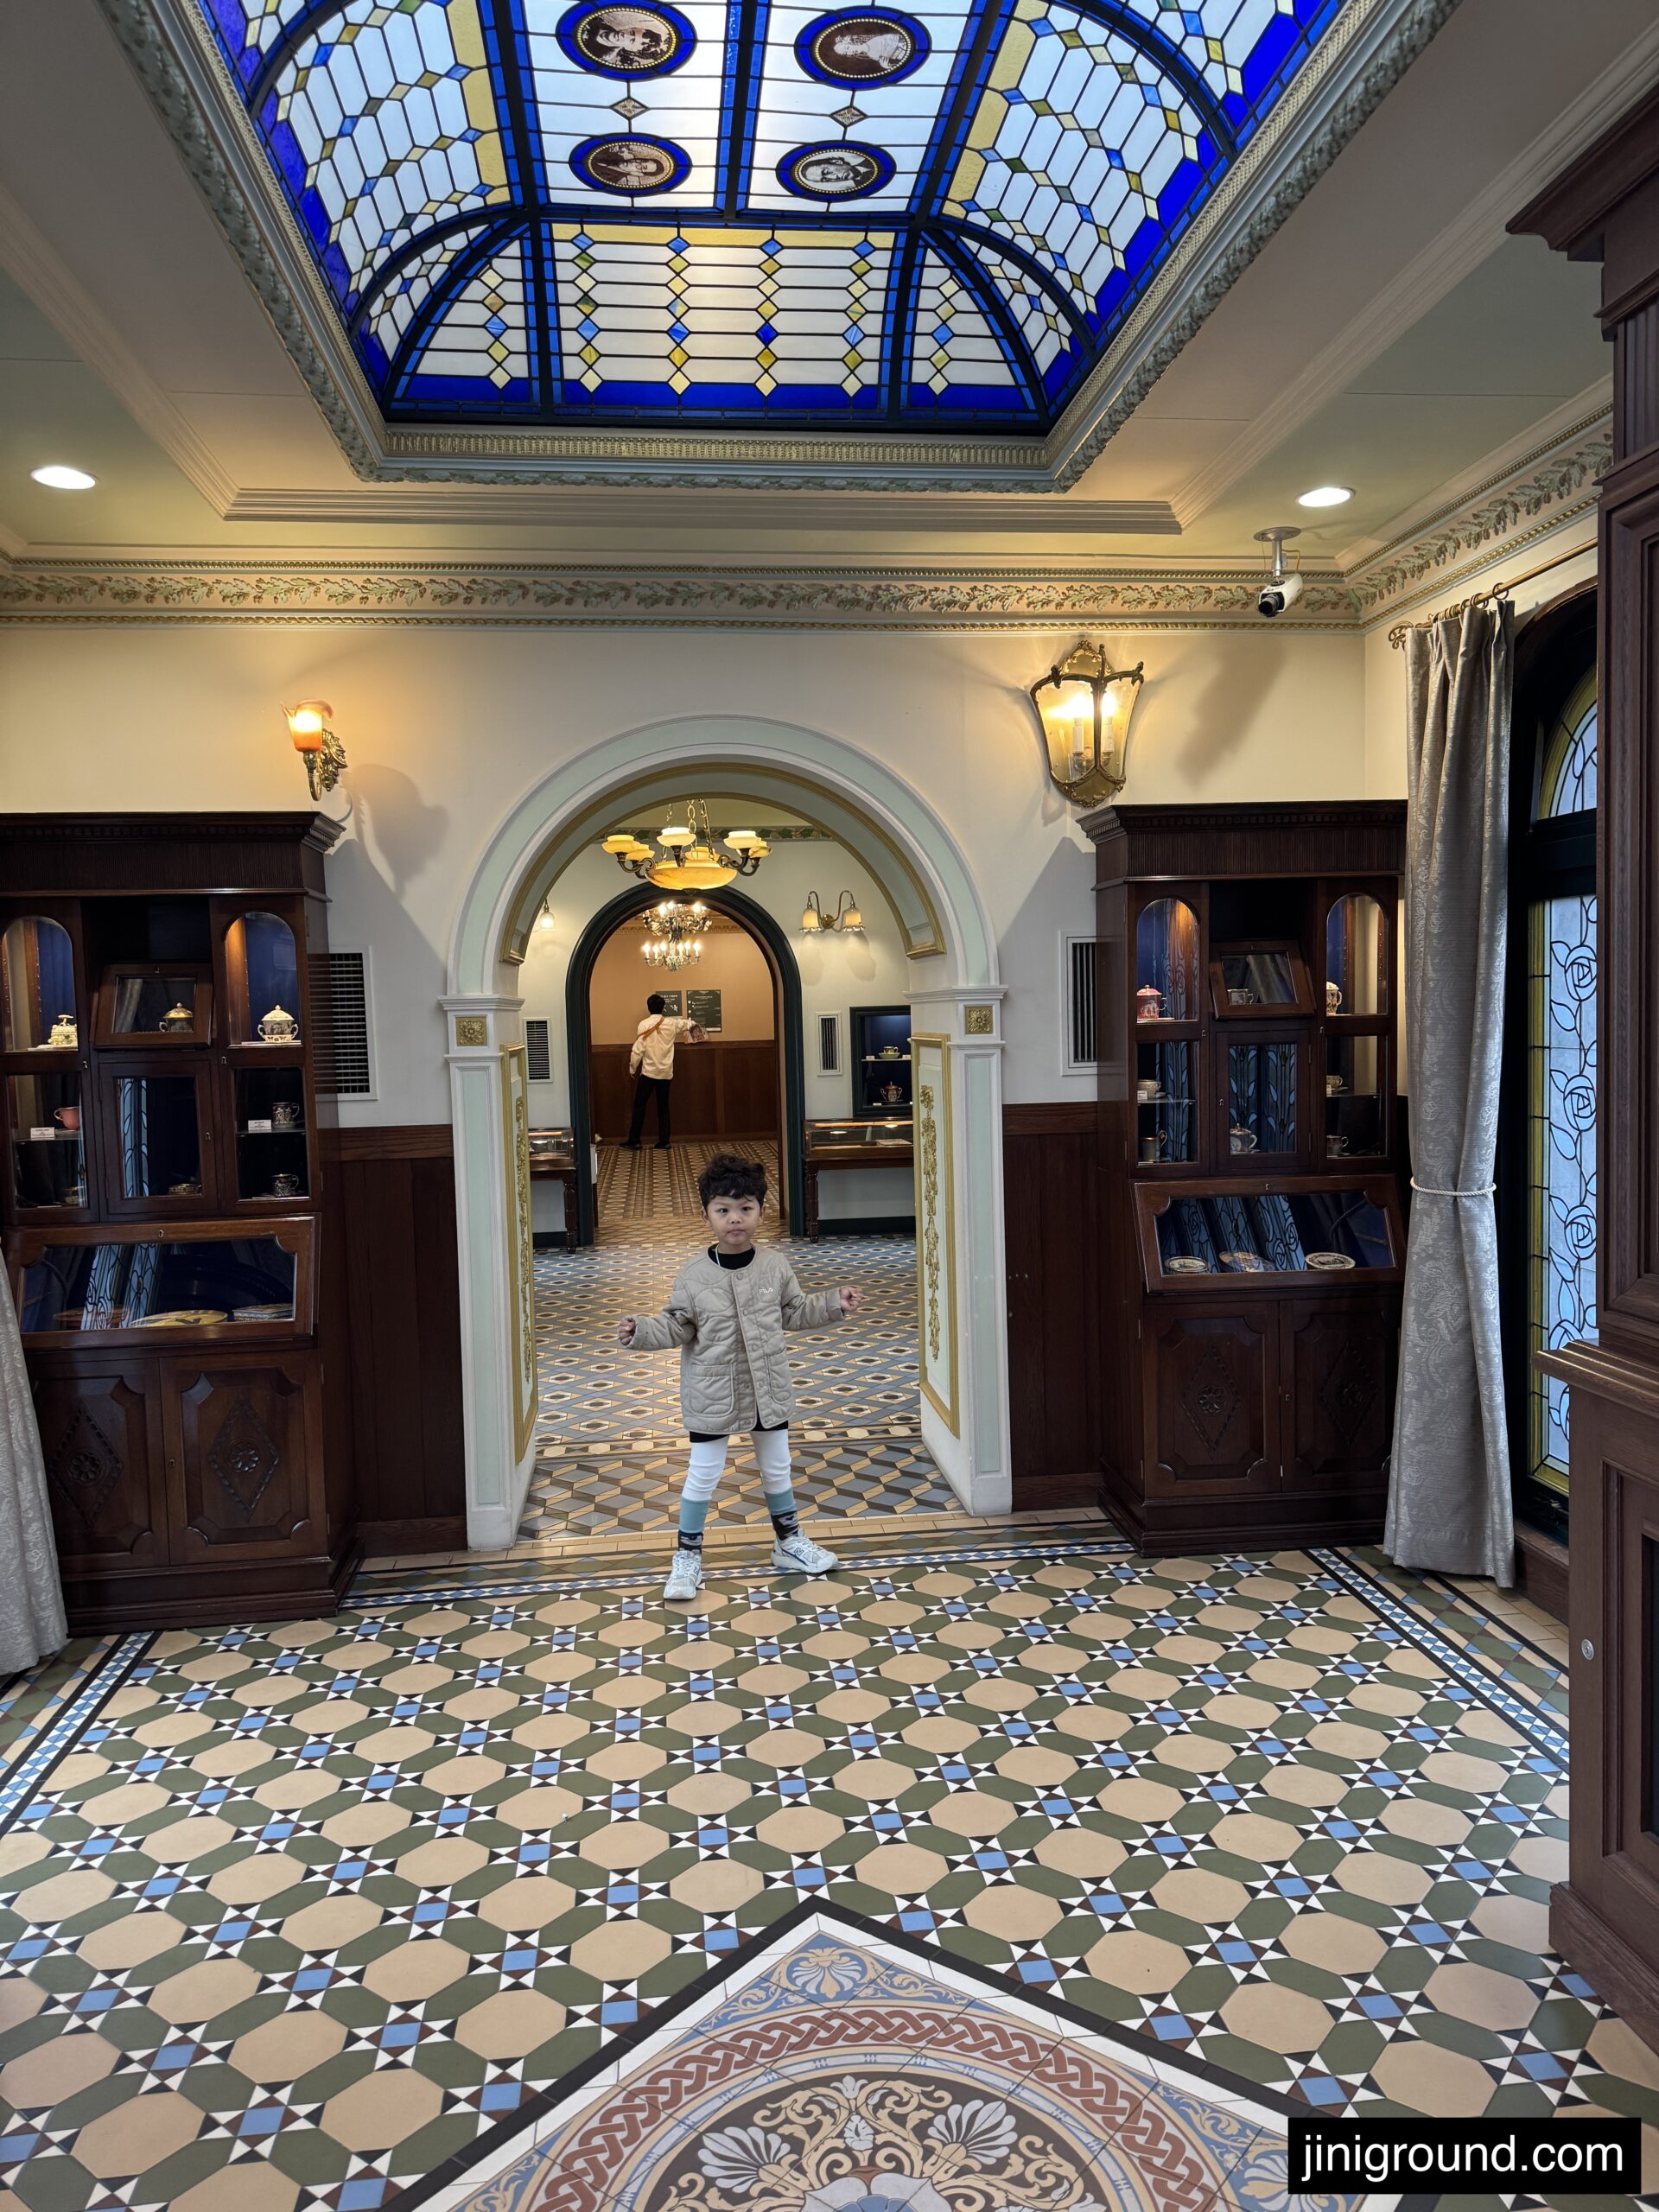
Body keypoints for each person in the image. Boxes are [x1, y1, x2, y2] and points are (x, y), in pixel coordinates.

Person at [616, 1151, 861, 1600]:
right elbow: (676, 1323)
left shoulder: (774, 1266)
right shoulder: (693, 1275)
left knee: (777, 1467)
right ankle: (687, 1557)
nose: (736, 1219)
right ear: (707, 1213)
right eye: (724, 1210)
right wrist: (641, 1331)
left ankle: (788, 1543)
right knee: (703, 1474)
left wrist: (832, 1303)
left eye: (746, 1209)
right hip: (712, 1395)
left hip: (768, 1389)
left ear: (761, 1212)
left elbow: (793, 1310)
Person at [624, 992, 704, 1149]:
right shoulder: (672, 1023)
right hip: (666, 1073)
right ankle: (664, 1141)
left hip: (648, 1073)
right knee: (663, 1107)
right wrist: (696, 1034)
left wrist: (632, 1068)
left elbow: (638, 1050)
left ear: (649, 1008)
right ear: (663, 1008)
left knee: (639, 1105)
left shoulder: (644, 1025)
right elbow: (690, 1023)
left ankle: (634, 1140)